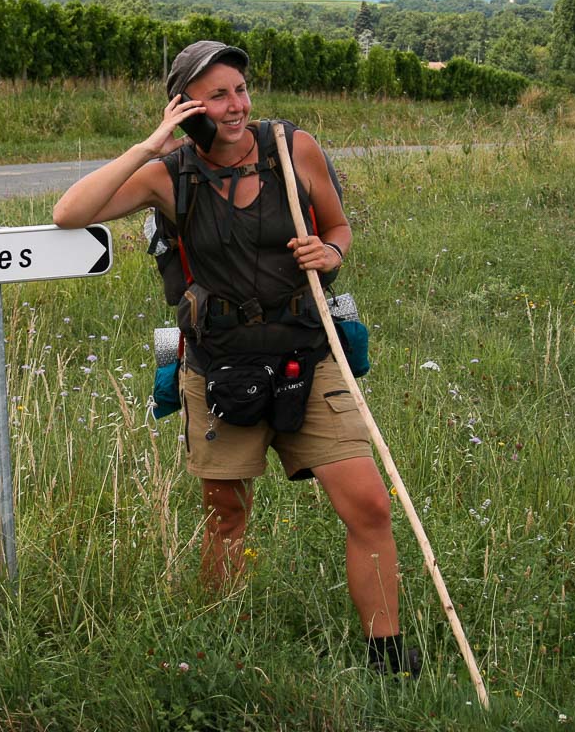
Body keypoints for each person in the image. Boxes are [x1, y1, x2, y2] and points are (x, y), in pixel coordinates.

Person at [53, 40, 417, 675]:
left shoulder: (289, 147)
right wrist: (151, 143)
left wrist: (330, 256)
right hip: (219, 365)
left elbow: (338, 227)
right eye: (217, 94)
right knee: (226, 516)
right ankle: (220, 651)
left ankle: (386, 656)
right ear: (187, 104)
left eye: (241, 90)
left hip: (308, 352)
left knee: (370, 504)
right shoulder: (170, 174)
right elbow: (69, 214)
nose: (236, 105)